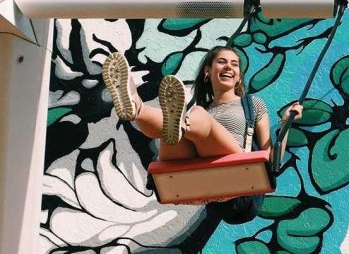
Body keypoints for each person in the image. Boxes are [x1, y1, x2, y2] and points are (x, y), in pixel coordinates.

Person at [101, 46, 301, 221]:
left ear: (239, 76)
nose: (228, 67)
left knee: (193, 115)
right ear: (208, 71)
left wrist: (286, 125)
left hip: (237, 172)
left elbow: (271, 159)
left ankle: (160, 118)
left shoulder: (252, 104)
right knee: (175, 126)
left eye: (234, 64)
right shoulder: (199, 109)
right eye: (221, 62)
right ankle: (137, 109)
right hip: (197, 175)